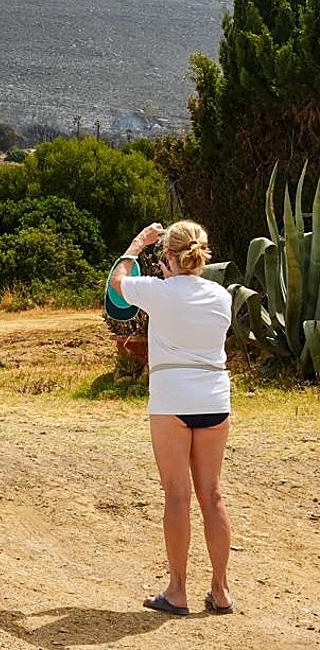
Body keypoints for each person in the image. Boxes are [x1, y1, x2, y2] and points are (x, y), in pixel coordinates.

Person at [108, 220, 235, 617]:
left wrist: (136, 244)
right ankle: (221, 591)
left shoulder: (158, 291)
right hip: (214, 398)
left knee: (177, 496)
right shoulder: (221, 296)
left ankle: (177, 591)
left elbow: (117, 283)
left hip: (171, 399)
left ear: (167, 256)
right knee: (212, 494)